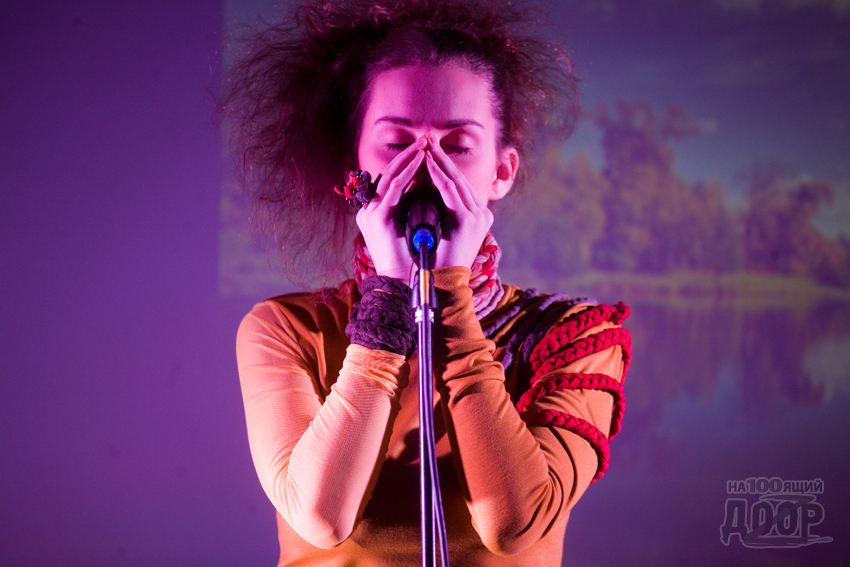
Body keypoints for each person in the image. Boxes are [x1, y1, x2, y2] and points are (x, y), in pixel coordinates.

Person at [224, 0, 631, 565]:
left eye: (457, 146)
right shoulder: (287, 329)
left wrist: (451, 297)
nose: (425, 169)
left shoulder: (574, 336)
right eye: (396, 143)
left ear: (502, 172)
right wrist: (388, 301)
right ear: (353, 169)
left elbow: (514, 524)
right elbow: (321, 516)